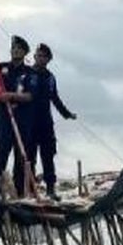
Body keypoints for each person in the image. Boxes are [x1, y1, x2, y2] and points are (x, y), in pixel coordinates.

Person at [23, 43, 76, 200]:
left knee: (48, 156)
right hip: (29, 123)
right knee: (29, 158)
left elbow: (55, 99)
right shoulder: (27, 74)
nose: (39, 58)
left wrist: (67, 114)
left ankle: (51, 189)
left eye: (43, 56)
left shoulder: (50, 77)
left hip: (46, 123)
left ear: (48, 59)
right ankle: (31, 190)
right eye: (37, 55)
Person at [0, 35, 33, 195]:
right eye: (13, 48)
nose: (15, 51)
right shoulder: (0, 68)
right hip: (4, 116)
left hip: (22, 116)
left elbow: (30, 96)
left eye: (19, 49)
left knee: (21, 152)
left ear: (24, 52)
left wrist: (11, 96)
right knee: (2, 149)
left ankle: (20, 189)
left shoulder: (29, 72)